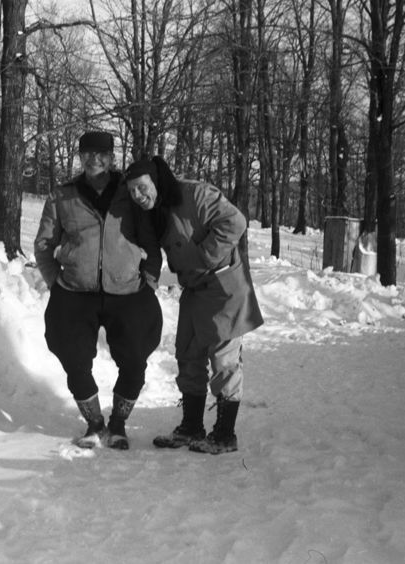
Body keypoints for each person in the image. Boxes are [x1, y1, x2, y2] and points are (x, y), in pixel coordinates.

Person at [124, 156, 263, 455]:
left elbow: (235, 221)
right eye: (132, 191)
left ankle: (224, 435)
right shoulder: (151, 213)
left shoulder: (195, 194)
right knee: (188, 354)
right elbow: (152, 250)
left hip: (223, 286)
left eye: (142, 187)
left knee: (224, 361)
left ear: (155, 181)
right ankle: (191, 427)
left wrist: (203, 257)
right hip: (193, 289)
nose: (138, 195)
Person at [34, 131, 163, 450]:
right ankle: (94, 423)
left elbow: (150, 239)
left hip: (127, 291)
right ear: (80, 156)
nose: (95, 159)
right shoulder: (63, 196)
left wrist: (150, 278)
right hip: (76, 291)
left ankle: (118, 423)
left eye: (101, 153)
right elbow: (44, 244)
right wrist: (55, 282)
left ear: (111, 156)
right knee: (73, 356)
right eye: (88, 153)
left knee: (135, 358)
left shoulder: (128, 191)